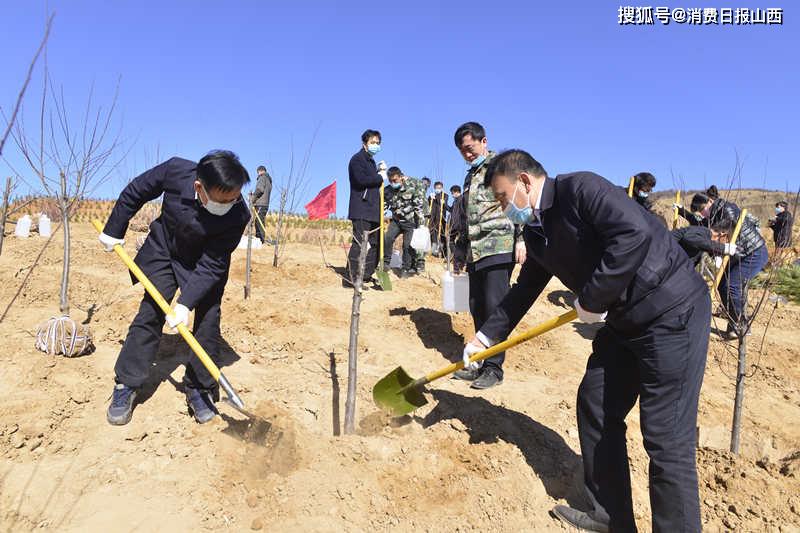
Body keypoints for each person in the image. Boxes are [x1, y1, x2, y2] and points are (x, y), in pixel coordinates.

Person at [465, 149, 710, 532]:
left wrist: (592, 297)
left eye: (501, 196)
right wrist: (484, 337)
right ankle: (610, 515)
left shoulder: (581, 189)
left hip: (671, 311)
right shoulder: (537, 232)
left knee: (666, 438)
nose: (502, 207)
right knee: (595, 403)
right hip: (624, 323)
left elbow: (635, 234)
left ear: (524, 182)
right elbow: (524, 289)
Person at [98, 151, 251, 425]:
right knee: (151, 312)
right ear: (198, 187)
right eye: (222, 199)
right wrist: (114, 229)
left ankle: (200, 388)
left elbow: (213, 264)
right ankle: (126, 384)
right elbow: (136, 191)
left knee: (208, 320)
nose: (229, 204)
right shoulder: (176, 171)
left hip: (204, 263)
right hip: (165, 250)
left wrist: (185, 303)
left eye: (234, 197)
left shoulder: (238, 215)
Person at [451, 122, 525, 390]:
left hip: (499, 245)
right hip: (475, 250)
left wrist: (522, 239)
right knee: (477, 305)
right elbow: (467, 217)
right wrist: (460, 251)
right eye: (463, 151)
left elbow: (520, 202)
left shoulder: (501, 166)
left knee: (495, 307)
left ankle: (494, 367)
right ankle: (479, 362)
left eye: (470, 148)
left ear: (484, 142)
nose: (467, 154)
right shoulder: (470, 176)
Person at [694, 193, 768, 338]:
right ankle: (734, 325)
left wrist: (720, 247)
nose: (703, 213)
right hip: (740, 255)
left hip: (753, 252)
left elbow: (727, 226)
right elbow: (703, 227)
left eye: (703, 209)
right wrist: (683, 213)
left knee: (732, 285)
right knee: (722, 286)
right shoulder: (715, 214)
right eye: (700, 212)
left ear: (710, 201)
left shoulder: (727, 209)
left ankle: (742, 325)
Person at [347, 129, 387, 288]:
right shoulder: (357, 160)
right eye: (372, 143)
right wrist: (379, 177)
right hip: (361, 209)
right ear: (365, 144)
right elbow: (360, 180)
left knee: (376, 243)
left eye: (378, 143)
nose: (375, 145)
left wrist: (378, 171)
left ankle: (365, 274)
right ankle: (352, 278)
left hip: (373, 211)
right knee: (360, 243)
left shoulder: (370, 162)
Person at [382, 167, 425, 277]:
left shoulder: (413, 185)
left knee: (407, 245)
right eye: (390, 181)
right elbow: (384, 205)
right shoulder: (388, 190)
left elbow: (418, 206)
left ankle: (406, 268)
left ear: (401, 177)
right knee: (388, 238)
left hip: (410, 221)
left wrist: (421, 224)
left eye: (395, 180)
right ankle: (385, 263)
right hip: (396, 221)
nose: (393, 183)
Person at [672, 217, 738, 267]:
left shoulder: (705, 239)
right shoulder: (704, 232)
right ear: (723, 234)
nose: (727, 244)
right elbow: (689, 237)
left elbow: (704, 245)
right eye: (728, 241)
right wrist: (723, 248)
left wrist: (716, 255)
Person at [252, 164, 272, 243]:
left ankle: (259, 240)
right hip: (265, 204)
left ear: (259, 171)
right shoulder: (268, 180)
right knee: (260, 220)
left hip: (261, 203)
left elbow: (260, 189)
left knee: (258, 221)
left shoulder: (262, 178)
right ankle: (260, 239)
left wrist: (253, 198)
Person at [429, 181, 449, 257]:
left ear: (442, 188)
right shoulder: (432, 195)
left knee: (442, 236)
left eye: (439, 188)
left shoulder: (445, 195)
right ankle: (434, 253)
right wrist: (430, 198)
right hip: (432, 219)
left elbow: (445, 205)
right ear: (434, 188)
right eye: (437, 188)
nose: (438, 189)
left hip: (441, 219)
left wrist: (439, 198)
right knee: (433, 235)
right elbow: (429, 205)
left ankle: (444, 253)